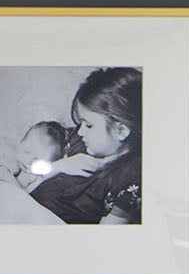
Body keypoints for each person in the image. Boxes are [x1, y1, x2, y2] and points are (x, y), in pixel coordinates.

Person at [18, 67, 142, 225]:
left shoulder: (131, 179)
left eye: (89, 125)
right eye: (81, 122)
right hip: (25, 207)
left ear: (121, 130)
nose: (80, 130)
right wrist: (57, 166)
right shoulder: (78, 139)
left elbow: (109, 233)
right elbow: (26, 162)